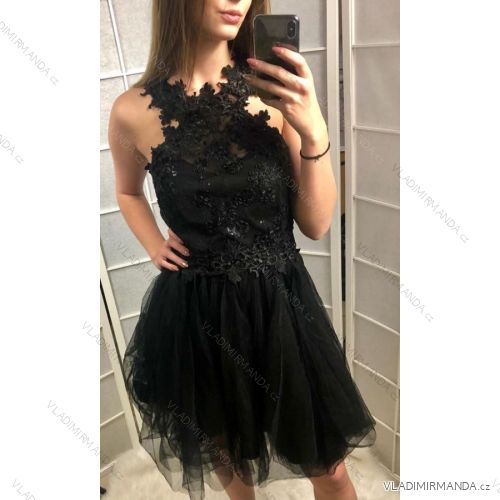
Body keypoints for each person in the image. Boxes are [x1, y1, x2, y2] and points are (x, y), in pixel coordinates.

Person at [108, 1, 376, 499]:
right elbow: (126, 192)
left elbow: (317, 223)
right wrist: (153, 245)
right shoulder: (131, 112)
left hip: (281, 310)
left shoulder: (276, 92)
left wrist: (314, 130)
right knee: (231, 466)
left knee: (332, 472)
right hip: (196, 315)